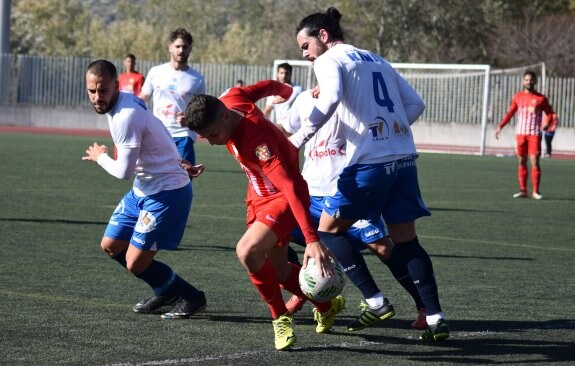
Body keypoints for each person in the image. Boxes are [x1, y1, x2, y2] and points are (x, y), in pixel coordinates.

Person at [290, 7, 449, 341]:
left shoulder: (329, 60)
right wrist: (390, 134)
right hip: (404, 160)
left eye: (305, 46)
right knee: (407, 241)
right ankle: (435, 317)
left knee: (328, 232)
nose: (304, 55)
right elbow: (416, 104)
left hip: (370, 165)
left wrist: (297, 140)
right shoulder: (377, 59)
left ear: (323, 35)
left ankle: (376, 301)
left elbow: (331, 97)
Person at [182, 80, 345, 351]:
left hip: (281, 199)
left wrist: (311, 238)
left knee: (247, 251)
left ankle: (280, 318)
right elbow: (262, 87)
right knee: (279, 271)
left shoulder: (259, 143)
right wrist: (286, 92)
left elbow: (290, 187)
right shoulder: (232, 98)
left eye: (212, 134)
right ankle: (326, 304)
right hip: (257, 196)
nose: (211, 143)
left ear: (224, 115)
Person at [282, 90, 428, 331]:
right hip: (309, 192)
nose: (310, 55)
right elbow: (287, 130)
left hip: (346, 191)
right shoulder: (305, 99)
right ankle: (302, 287)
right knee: (276, 236)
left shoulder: (356, 99)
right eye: (305, 50)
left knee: (382, 247)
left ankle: (423, 306)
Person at [82, 60, 207, 320]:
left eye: (103, 90)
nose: (97, 97)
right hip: (142, 189)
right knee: (110, 245)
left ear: (115, 86)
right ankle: (164, 290)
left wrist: (99, 157)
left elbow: (122, 172)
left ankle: (192, 296)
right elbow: (156, 128)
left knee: (135, 262)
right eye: (92, 91)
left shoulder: (125, 116)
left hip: (166, 193)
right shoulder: (126, 100)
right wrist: (177, 161)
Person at [140, 28, 206, 165]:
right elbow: (142, 99)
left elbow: (201, 112)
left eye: (185, 47)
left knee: (183, 177)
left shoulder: (197, 79)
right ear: (170, 47)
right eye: (177, 46)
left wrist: (189, 119)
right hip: (157, 133)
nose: (181, 50)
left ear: (190, 49)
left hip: (183, 135)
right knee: (153, 177)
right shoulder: (156, 72)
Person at [495, 70, 553, 199]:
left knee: (534, 161)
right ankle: (523, 190)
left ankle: (536, 191)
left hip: (534, 134)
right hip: (520, 134)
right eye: (526, 79)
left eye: (531, 80)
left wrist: (547, 123)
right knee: (522, 161)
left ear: (535, 81)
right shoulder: (517, 97)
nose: (529, 82)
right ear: (523, 81)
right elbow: (510, 113)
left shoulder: (541, 98)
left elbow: (550, 113)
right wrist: (500, 126)